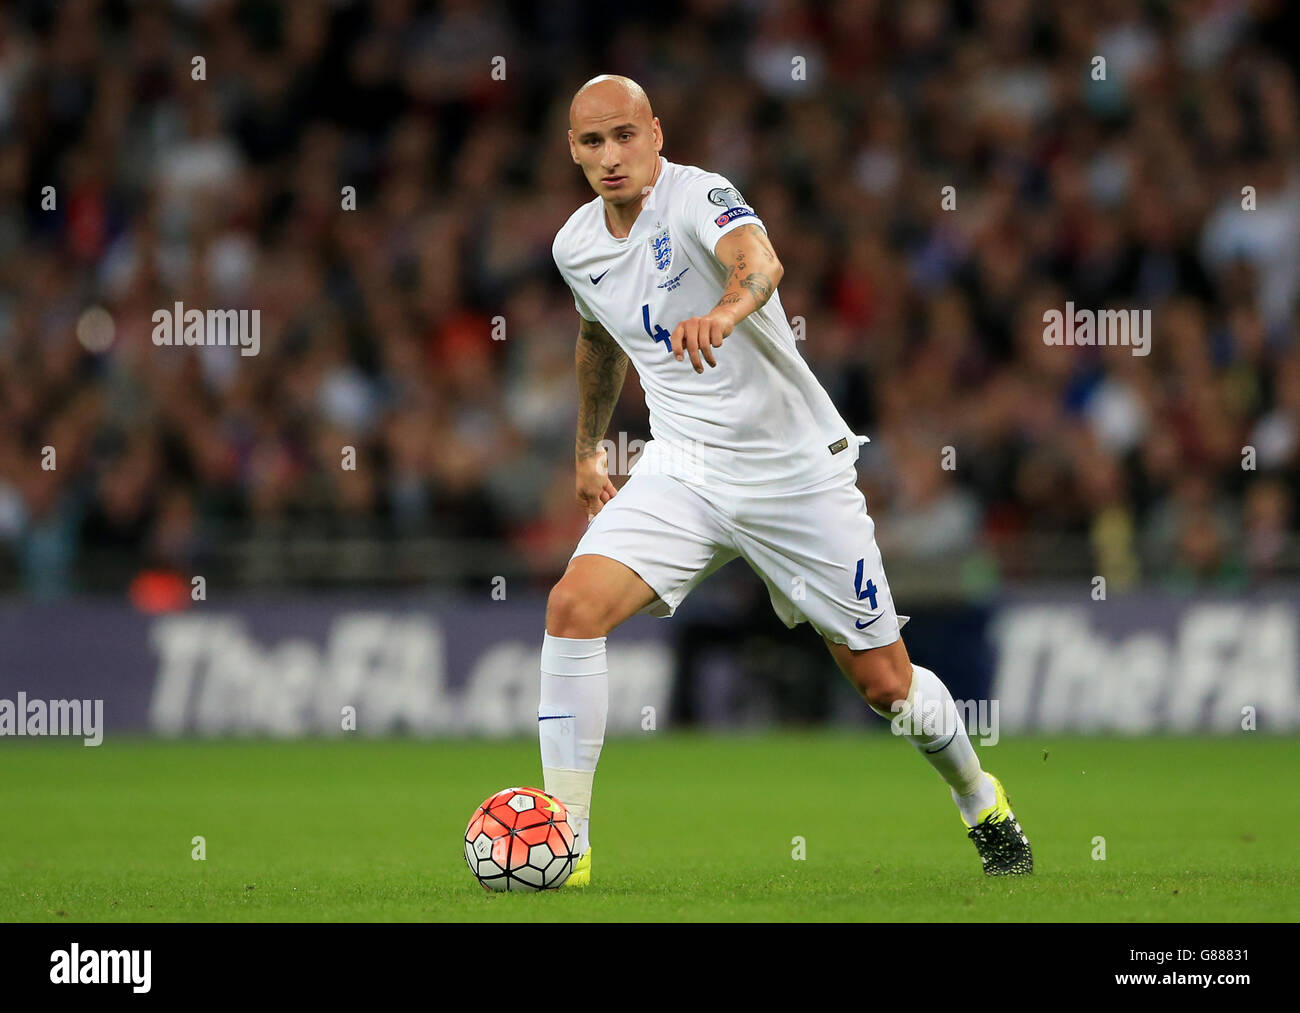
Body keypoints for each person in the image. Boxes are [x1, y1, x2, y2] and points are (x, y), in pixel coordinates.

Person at [542, 75, 1031, 885]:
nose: (611, 156)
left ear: (656, 134)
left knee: (886, 685)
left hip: (792, 475)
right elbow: (598, 340)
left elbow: (760, 262)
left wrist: (725, 315)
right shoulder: (575, 245)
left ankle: (981, 798)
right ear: (573, 151)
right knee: (571, 607)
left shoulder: (700, 195)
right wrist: (590, 448)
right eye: (592, 142)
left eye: (625, 135)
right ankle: (568, 842)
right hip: (684, 467)